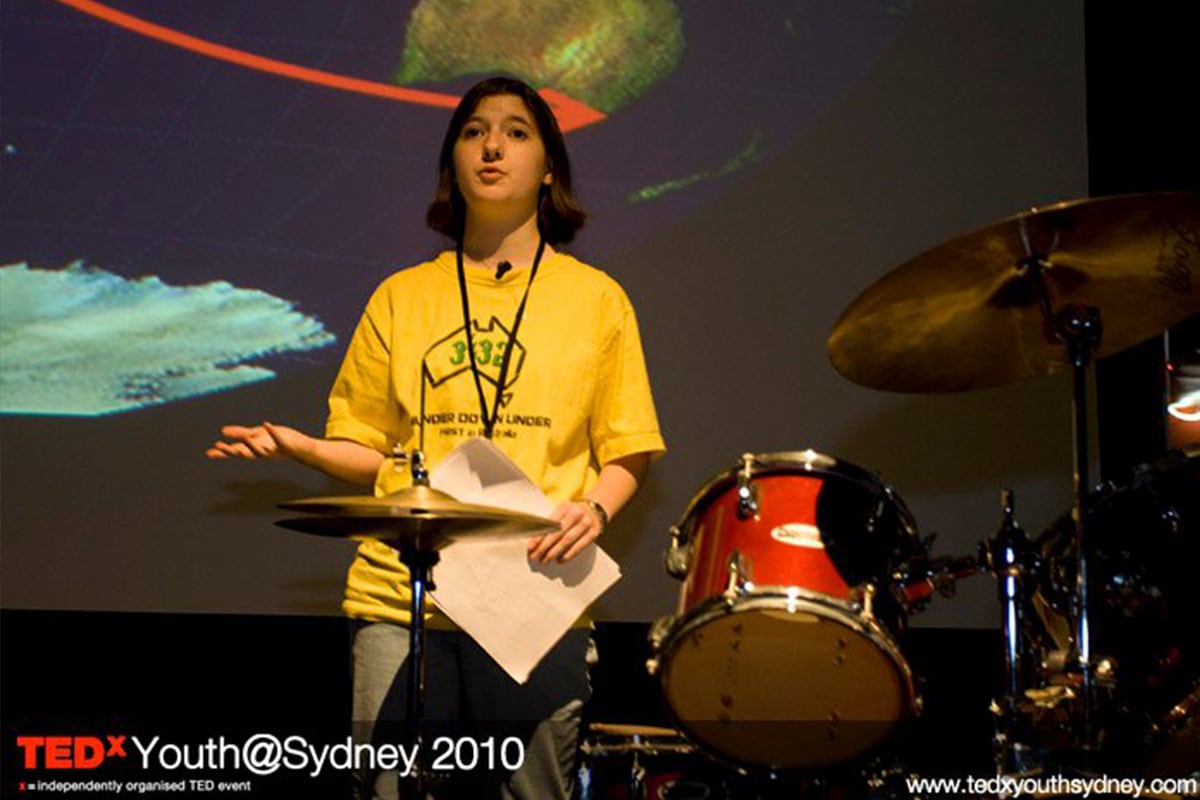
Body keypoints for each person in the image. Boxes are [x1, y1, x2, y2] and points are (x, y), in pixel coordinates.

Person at [207, 76, 664, 799]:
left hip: (534, 587)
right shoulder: (401, 296)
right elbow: (371, 451)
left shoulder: (597, 301)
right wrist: (301, 449)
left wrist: (597, 510)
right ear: (453, 161)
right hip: (403, 593)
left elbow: (628, 447)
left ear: (549, 168)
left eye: (517, 131)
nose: (492, 145)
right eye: (474, 130)